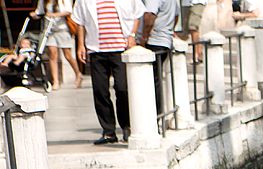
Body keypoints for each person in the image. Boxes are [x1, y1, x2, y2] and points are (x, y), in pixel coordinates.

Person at [72, 0, 144, 145]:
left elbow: (137, 14)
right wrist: (80, 45)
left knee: (122, 88)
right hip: (96, 50)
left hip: (121, 49)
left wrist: (132, 35)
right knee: (100, 90)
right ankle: (108, 131)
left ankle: (127, 126)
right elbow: (80, 22)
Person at [30, 0, 83, 89]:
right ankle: (56, 81)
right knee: (52, 54)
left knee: (67, 55)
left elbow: (69, 11)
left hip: (62, 29)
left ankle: (78, 73)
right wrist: (34, 15)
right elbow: (40, 12)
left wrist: (55, 15)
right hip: (49, 30)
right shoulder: (43, 1)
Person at [139, 0, 177, 116]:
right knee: (156, 80)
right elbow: (176, 17)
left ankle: (155, 115)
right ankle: (158, 114)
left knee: (151, 81)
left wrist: (143, 38)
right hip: (165, 41)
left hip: (154, 41)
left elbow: (149, 17)